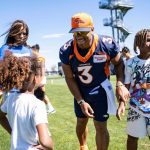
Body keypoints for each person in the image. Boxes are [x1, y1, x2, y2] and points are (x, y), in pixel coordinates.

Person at [59, 12, 130, 150]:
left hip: (101, 90)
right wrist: (80, 101)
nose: (79, 36)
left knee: (101, 126)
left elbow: (119, 64)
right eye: (75, 33)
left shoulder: (106, 44)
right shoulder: (66, 50)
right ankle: (83, 146)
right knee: (81, 122)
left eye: (82, 32)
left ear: (92, 29)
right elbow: (69, 77)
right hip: (80, 90)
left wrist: (119, 83)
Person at [0, 54, 54, 150]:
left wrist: (12, 132)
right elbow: (45, 142)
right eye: (41, 73)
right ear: (35, 78)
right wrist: (50, 146)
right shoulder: (38, 105)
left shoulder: (11, 98)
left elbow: (0, 116)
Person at [117, 29, 150, 150]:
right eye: (148, 40)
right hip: (135, 107)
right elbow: (126, 87)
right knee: (132, 138)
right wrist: (121, 103)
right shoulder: (130, 63)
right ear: (138, 43)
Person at [32, 44, 56, 114]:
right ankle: (48, 108)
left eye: (32, 50)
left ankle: (47, 109)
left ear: (35, 50)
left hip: (40, 77)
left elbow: (39, 69)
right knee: (40, 93)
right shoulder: (36, 57)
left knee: (41, 93)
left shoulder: (40, 57)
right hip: (38, 77)